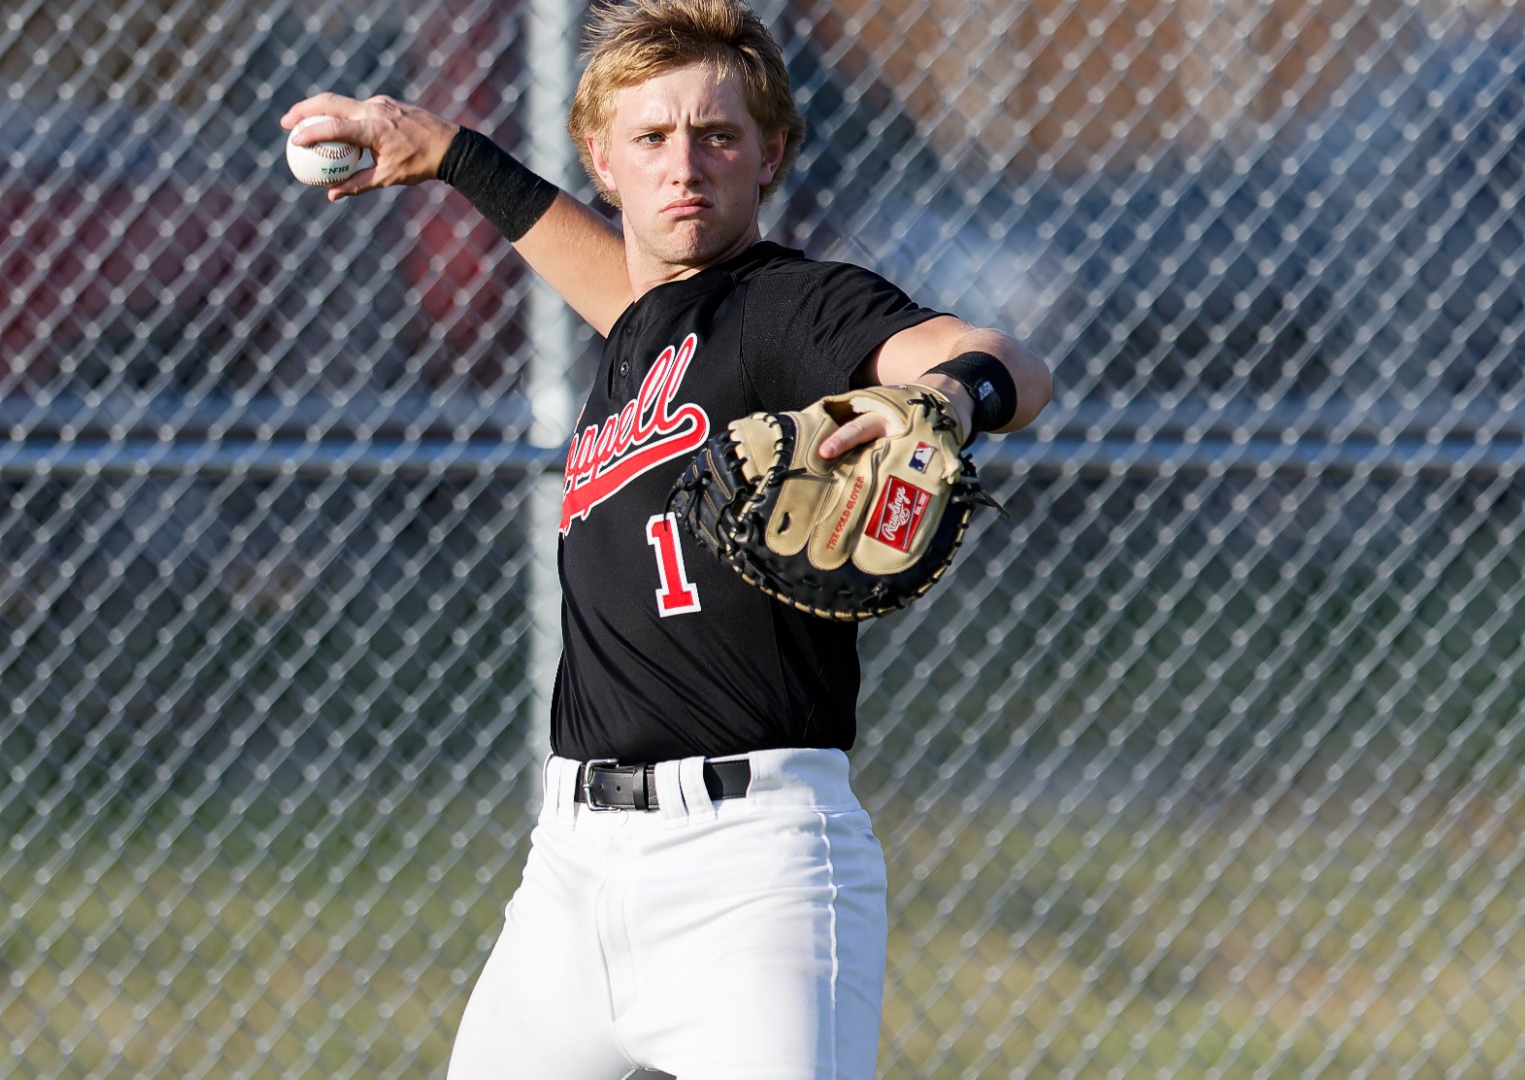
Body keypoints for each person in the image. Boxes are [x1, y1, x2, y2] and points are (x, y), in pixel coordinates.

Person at [283, 2, 1051, 1076]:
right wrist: (450, 153)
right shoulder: (643, 324)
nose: (684, 166)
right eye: (650, 138)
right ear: (602, 161)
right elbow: (606, 273)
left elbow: (1007, 360)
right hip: (570, 871)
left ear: (770, 155)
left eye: (717, 136)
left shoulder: (789, 308)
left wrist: (948, 397)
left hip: (751, 872)